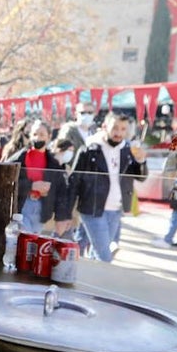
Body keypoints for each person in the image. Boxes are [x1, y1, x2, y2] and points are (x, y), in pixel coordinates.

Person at [59, 112, 146, 262]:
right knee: (104, 256)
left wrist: (142, 161)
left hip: (116, 210)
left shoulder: (127, 151)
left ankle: (90, 282)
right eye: (115, 128)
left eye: (123, 129)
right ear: (105, 127)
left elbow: (141, 177)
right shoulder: (90, 150)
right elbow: (74, 182)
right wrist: (65, 214)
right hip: (92, 210)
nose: (118, 133)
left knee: (97, 252)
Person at [12, 121, 71, 233]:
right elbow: (8, 181)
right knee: (25, 237)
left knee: (33, 242)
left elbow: (61, 191)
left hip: (42, 209)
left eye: (41, 134)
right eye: (34, 134)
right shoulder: (20, 157)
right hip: (23, 205)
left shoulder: (53, 163)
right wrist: (31, 186)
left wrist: (61, 217)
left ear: (49, 137)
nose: (37, 138)